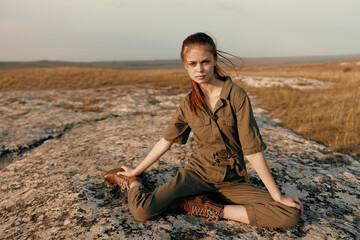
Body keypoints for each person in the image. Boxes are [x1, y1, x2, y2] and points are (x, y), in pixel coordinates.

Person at [104, 32, 303, 228]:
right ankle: (132, 184)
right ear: (185, 65)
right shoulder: (188, 103)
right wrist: (135, 172)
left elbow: (252, 150)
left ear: (215, 60)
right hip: (197, 174)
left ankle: (206, 207)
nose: (199, 69)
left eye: (205, 62)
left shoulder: (236, 95)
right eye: (192, 64)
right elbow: (166, 141)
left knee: (289, 213)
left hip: (231, 181)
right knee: (143, 210)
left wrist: (278, 196)